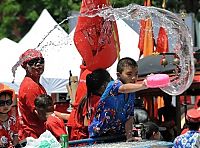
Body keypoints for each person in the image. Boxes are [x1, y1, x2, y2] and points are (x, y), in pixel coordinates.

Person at [88, 57, 148, 141]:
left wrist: (129, 137)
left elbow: (129, 117)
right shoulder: (113, 85)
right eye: (129, 74)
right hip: (99, 136)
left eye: (136, 74)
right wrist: (143, 86)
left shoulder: (131, 93)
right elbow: (123, 88)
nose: (134, 78)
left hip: (117, 135)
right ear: (118, 75)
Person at [69, 69, 111, 141]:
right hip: (84, 140)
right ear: (104, 86)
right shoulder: (99, 101)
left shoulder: (87, 98)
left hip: (81, 138)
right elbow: (87, 123)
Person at [18, 49, 47, 140]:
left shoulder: (36, 84)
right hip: (33, 137)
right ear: (26, 66)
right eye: (33, 62)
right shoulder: (30, 86)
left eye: (41, 61)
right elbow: (42, 115)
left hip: (37, 135)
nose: (38, 64)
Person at [0, 83, 19, 147]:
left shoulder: (13, 120)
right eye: (1, 103)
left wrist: (14, 144)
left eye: (8, 102)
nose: (6, 106)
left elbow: (15, 137)